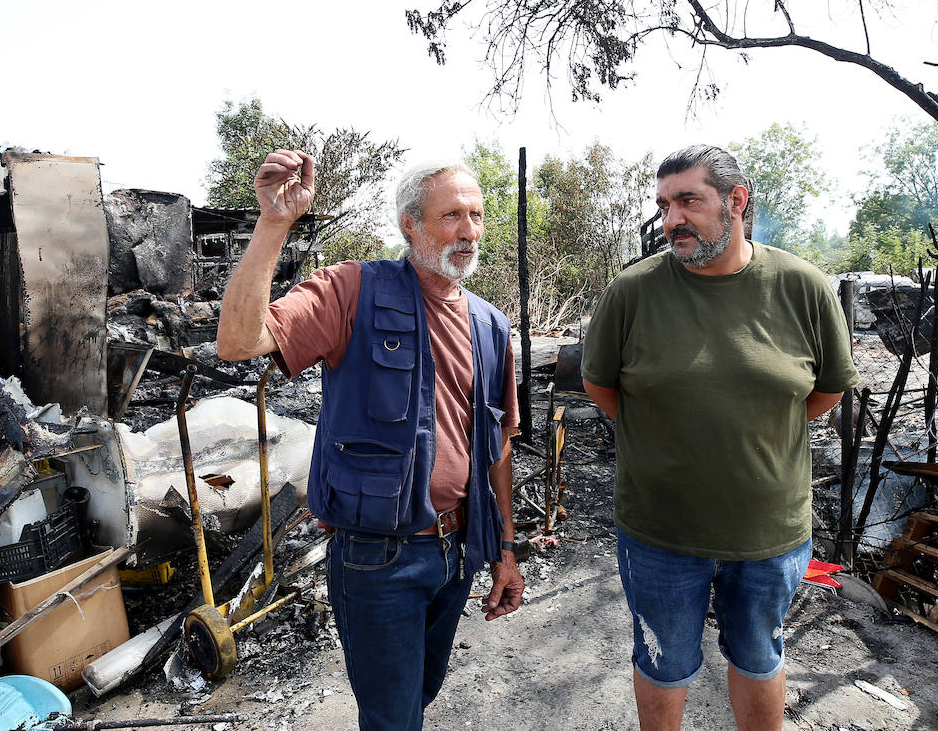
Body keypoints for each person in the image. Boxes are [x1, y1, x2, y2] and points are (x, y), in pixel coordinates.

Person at [217, 150, 525, 731]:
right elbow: (237, 341)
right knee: (392, 718)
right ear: (410, 224)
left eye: (477, 215)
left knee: (417, 697)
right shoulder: (353, 289)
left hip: (457, 552)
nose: (469, 231)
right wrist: (274, 223)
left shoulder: (489, 323)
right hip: (378, 557)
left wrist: (504, 550)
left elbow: (497, 448)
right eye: (452, 216)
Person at [580, 144, 858, 731]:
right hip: (659, 531)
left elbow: (826, 391)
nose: (671, 219)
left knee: (760, 657)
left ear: (736, 201)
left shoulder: (802, 287)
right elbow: (600, 386)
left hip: (769, 532)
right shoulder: (632, 291)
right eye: (663, 205)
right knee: (663, 661)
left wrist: (753, 430)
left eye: (688, 201)